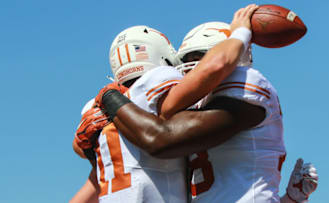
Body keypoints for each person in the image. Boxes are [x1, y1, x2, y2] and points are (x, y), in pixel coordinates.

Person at [91, 15, 318, 203]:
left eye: (201, 57)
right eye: (188, 61)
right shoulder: (197, 111)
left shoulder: (248, 82)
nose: (192, 70)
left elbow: (160, 139)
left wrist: (110, 99)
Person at [72, 4, 259, 203]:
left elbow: (91, 170)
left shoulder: (97, 106)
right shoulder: (160, 79)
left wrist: (89, 151)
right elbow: (162, 128)